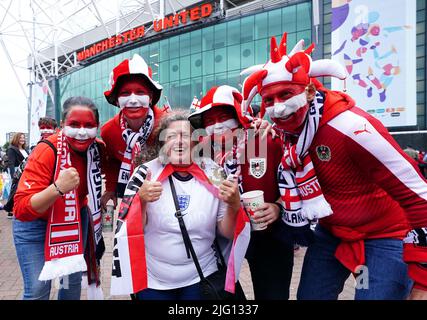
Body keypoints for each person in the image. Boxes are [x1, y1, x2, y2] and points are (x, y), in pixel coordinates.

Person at [241, 32, 427, 300]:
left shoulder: (351, 128)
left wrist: (423, 281)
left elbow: (420, 195)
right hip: (333, 234)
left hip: (384, 235)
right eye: (269, 100)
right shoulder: (285, 133)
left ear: (309, 90)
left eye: (285, 95)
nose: (278, 108)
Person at [111, 111, 241, 300]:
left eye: (186, 136)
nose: (179, 142)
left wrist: (234, 205)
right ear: (163, 143)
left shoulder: (214, 173)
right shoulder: (145, 173)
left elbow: (226, 232)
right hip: (152, 280)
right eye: (171, 136)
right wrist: (142, 201)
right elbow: (131, 231)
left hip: (200, 277)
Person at [188, 85, 294, 299]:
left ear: (238, 116)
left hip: (270, 236)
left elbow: (298, 182)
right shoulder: (202, 154)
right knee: (226, 295)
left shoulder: (268, 139)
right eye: (209, 121)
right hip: (226, 237)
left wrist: (279, 206)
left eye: (223, 117)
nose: (217, 126)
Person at [13, 97, 106, 300]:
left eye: (89, 125)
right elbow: (20, 208)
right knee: (38, 289)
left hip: (74, 220)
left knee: (72, 284)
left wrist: (110, 192)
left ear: (97, 127)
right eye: (74, 124)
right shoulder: (47, 150)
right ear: (62, 125)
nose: (82, 131)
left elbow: (116, 167)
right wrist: (57, 188)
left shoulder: (97, 149)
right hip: (35, 224)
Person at [100, 53, 165, 211]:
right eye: (125, 93)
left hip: (165, 194)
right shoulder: (108, 131)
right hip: (130, 198)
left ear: (150, 97)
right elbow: (113, 162)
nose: (133, 99)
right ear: (116, 100)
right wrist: (110, 189)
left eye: (140, 92)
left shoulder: (167, 124)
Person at [4, 133, 29, 218]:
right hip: (16, 172)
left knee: (20, 190)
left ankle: (16, 208)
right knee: (15, 190)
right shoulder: (12, 149)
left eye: (23, 138)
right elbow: (11, 163)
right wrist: (13, 175)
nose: (22, 139)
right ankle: (10, 210)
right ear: (16, 139)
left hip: (25, 172)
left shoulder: (25, 149)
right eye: (20, 138)